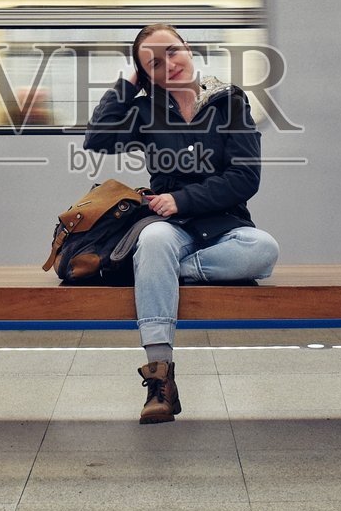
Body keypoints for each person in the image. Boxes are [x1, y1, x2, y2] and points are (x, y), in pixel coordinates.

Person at [84, 23, 279, 423]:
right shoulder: (145, 111)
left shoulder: (230, 102)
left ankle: (160, 272)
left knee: (263, 250)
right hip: (169, 226)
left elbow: (245, 177)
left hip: (224, 225)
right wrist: (130, 82)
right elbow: (97, 138)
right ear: (146, 75)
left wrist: (182, 199)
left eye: (172, 51)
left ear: (188, 48)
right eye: (154, 63)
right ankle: (160, 380)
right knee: (154, 240)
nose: (168, 64)